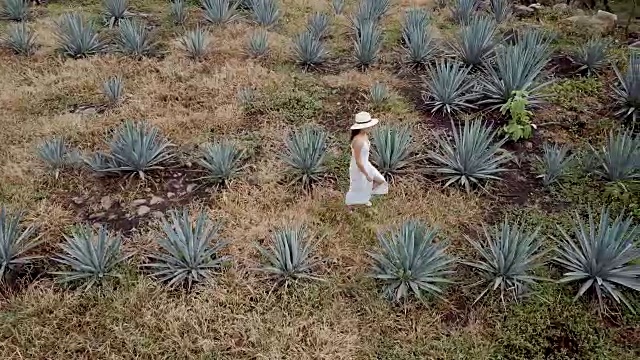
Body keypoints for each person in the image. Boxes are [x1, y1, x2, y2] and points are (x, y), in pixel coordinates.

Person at [345, 111, 388, 211]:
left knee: (380, 180)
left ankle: (364, 198)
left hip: (366, 164)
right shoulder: (358, 141)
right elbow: (358, 161)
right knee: (355, 187)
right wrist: (366, 174)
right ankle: (349, 207)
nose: (370, 127)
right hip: (359, 167)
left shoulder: (364, 135)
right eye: (367, 125)